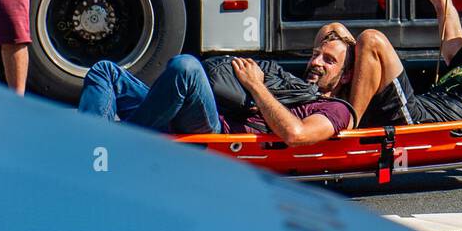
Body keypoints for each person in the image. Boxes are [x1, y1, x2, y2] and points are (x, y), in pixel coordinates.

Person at [77, 31, 357, 146]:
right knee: (105, 71)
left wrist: (255, 85)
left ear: (344, 77)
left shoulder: (336, 109)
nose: (317, 62)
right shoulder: (291, 83)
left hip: (215, 129)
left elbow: (295, 134)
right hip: (195, 108)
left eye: (329, 60)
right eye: (315, 55)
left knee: (186, 68)